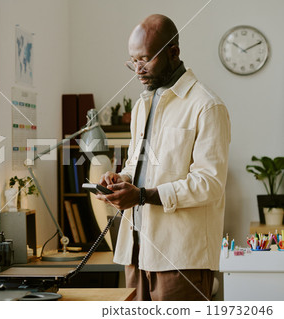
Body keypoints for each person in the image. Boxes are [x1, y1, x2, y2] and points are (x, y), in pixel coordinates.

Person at [96, 14, 231, 301]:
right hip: (135, 251)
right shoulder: (144, 102)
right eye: (132, 61)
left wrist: (142, 196)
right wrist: (122, 178)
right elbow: (138, 161)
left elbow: (209, 183)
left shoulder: (207, 106)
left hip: (180, 258)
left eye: (145, 59)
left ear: (174, 52)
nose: (138, 69)